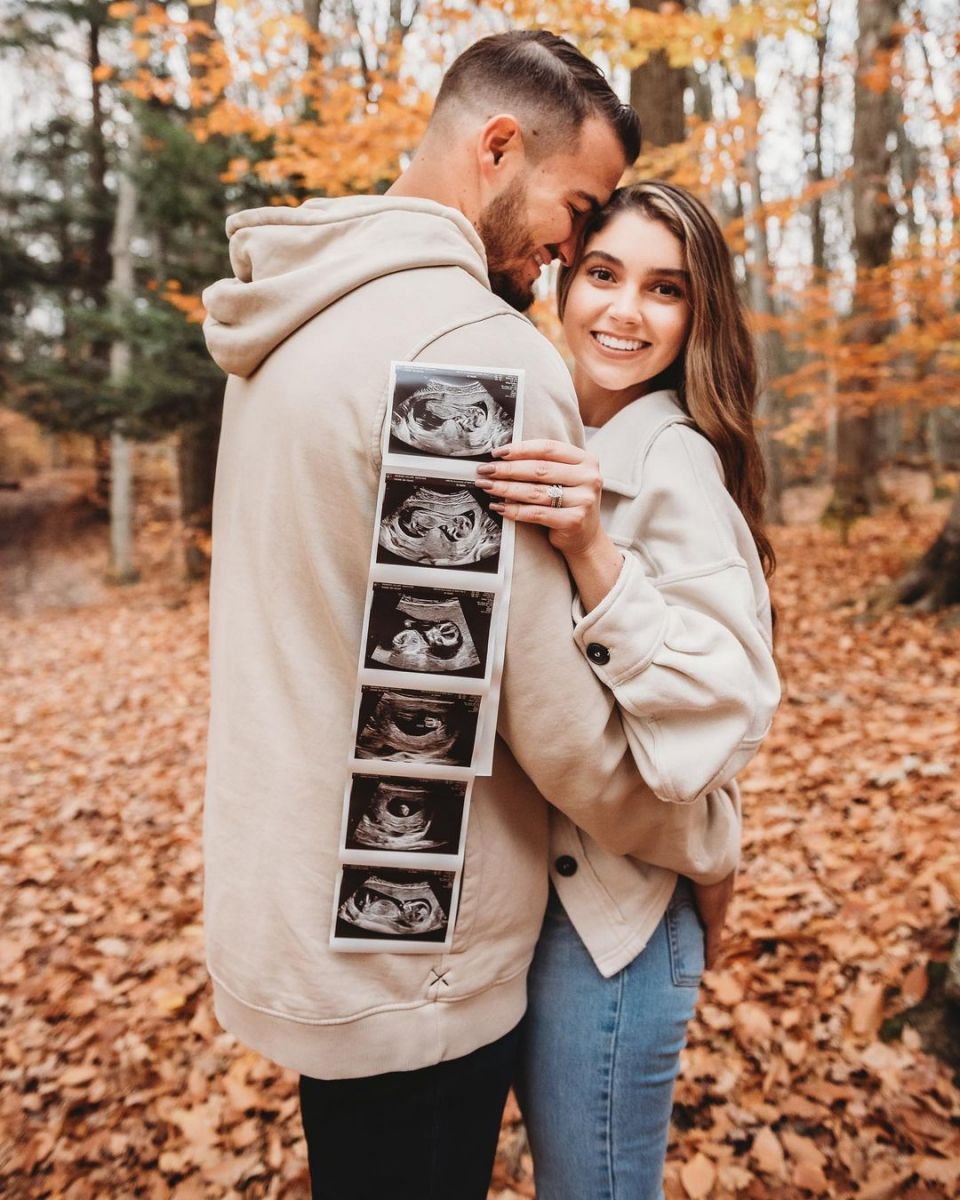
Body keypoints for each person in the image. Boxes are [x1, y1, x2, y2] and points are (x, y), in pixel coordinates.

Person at [200, 29, 767, 1199]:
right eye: (576, 212)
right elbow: (548, 716)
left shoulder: (288, 317)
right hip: (415, 946)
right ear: (499, 145)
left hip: (301, 911)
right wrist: (704, 839)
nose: (568, 246)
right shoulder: (469, 355)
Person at [473, 180, 780, 1199]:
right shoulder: (561, 424)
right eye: (603, 274)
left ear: (697, 317)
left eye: (664, 290)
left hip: (613, 925)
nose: (623, 312)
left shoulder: (672, 457)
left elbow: (724, 709)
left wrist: (596, 551)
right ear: (563, 278)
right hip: (527, 896)